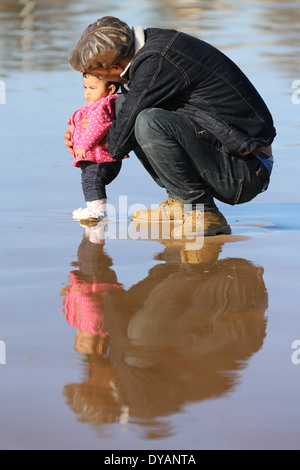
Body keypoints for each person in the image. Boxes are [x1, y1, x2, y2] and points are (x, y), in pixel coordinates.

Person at [65, 16, 276, 236]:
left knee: (147, 121)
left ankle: (203, 212)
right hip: (228, 156)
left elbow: (117, 144)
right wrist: (86, 130)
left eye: (100, 77)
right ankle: (180, 202)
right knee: (123, 107)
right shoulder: (148, 48)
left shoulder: (155, 61)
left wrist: (87, 141)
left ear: (117, 67)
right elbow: (121, 114)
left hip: (247, 170)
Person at [70, 72, 128, 223]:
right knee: (88, 181)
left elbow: (97, 127)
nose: (87, 92)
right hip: (94, 157)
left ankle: (97, 212)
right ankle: (92, 210)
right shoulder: (93, 106)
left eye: (93, 88)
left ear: (110, 89)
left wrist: (84, 145)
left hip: (100, 158)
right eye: (85, 88)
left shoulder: (102, 106)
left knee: (93, 181)